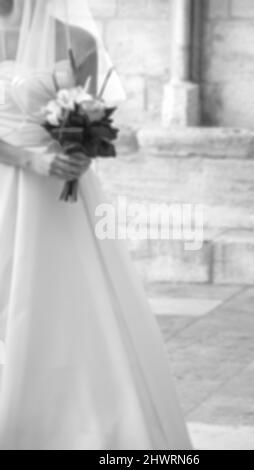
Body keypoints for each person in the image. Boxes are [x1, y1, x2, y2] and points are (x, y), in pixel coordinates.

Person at [0, 0, 192, 450]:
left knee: (66, 304)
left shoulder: (79, 41)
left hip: (62, 194)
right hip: (10, 176)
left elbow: (90, 118)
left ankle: (71, 424)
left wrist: (81, 149)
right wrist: (31, 159)